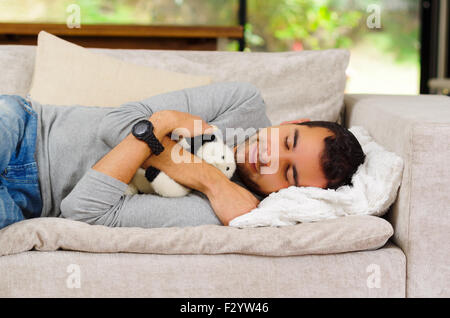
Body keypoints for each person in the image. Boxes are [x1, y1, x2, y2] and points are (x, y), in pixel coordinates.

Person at [0, 81, 365, 230]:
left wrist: (162, 125)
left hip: (21, 203)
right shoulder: (243, 102)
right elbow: (118, 122)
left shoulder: (227, 208)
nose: (268, 157)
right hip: (26, 126)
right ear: (294, 121)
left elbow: (81, 210)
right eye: (287, 141)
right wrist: (202, 173)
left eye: (287, 174)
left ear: (293, 194)